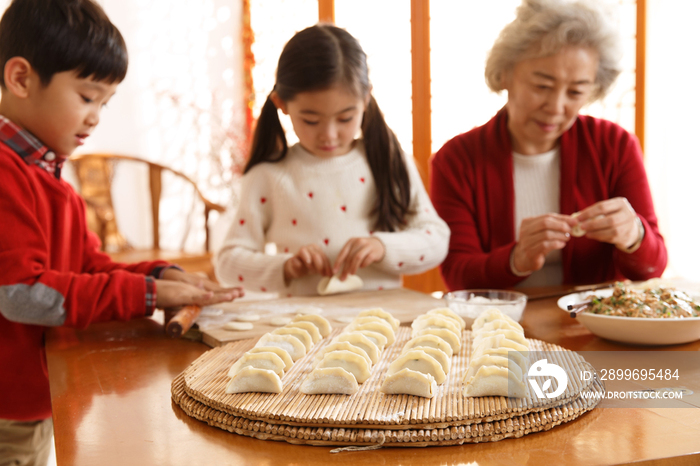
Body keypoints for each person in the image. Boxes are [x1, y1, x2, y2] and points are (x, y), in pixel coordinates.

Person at [0, 1, 243, 464]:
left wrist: (161, 274)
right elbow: (21, 293)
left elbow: (89, 266)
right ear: (21, 78)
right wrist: (147, 294)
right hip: (7, 411)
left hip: (33, 399)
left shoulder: (49, 177)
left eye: (104, 103)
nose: (96, 117)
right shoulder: (6, 173)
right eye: (88, 97)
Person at [430, 0, 667, 291]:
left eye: (576, 91)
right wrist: (516, 258)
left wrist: (634, 235)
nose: (556, 107)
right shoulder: (457, 159)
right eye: (542, 86)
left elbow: (654, 266)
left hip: (590, 326)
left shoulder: (615, 146)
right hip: (498, 328)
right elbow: (458, 275)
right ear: (505, 74)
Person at [216, 24, 450, 296]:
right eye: (311, 120)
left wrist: (382, 247)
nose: (328, 134)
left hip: (383, 325)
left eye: (345, 118)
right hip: (301, 328)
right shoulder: (268, 176)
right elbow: (227, 264)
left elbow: (436, 240)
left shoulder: (390, 162)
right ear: (281, 104)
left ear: (365, 98)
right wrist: (286, 267)